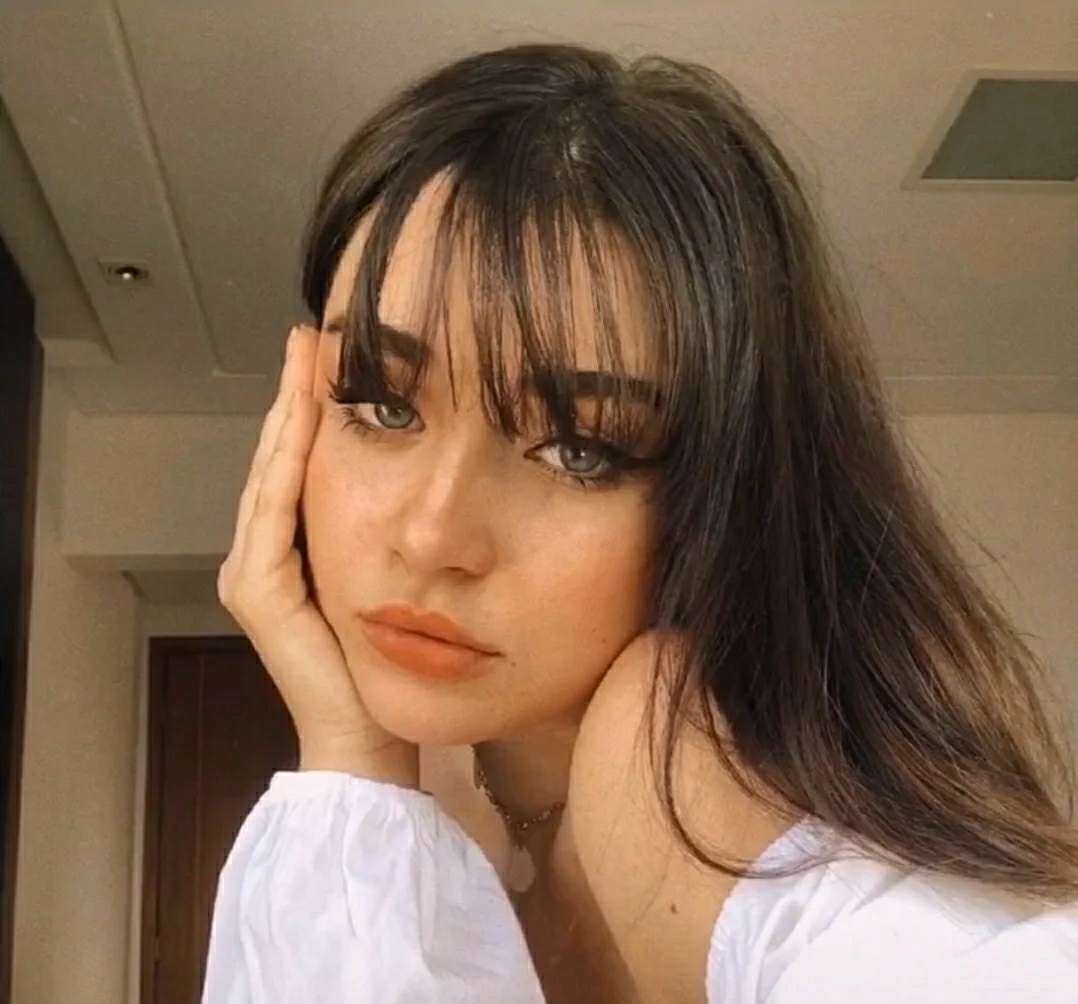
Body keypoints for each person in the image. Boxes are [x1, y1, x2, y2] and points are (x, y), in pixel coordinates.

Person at [203, 41, 1078, 1003]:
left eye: (580, 450)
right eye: (381, 403)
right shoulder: (417, 781)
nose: (431, 537)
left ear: (726, 485)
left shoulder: (678, 741)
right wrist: (353, 758)